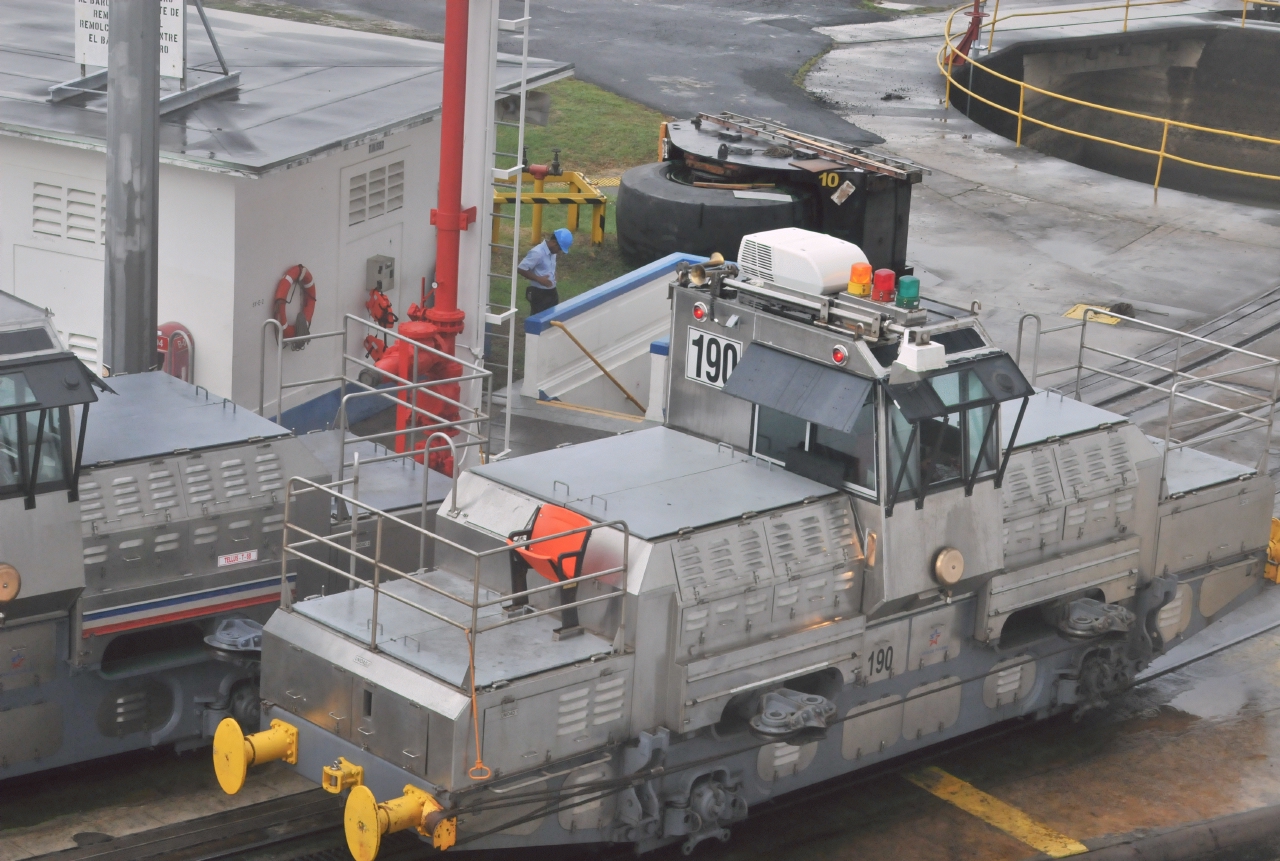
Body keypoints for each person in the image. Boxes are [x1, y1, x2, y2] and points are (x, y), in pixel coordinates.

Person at [518, 227, 574, 316]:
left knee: (552, 319)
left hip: (552, 292)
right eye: (559, 249)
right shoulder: (537, 253)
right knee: (539, 320)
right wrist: (538, 279)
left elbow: (548, 266)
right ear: (554, 243)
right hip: (539, 293)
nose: (559, 252)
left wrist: (553, 273)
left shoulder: (552, 252)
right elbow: (521, 269)